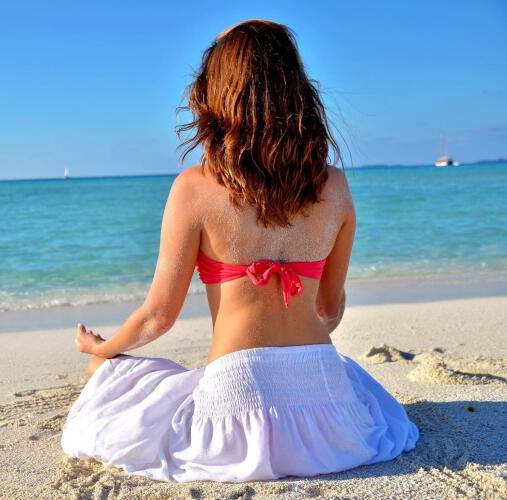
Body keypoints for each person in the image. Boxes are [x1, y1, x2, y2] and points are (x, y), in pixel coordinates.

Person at [60, 19, 418, 482]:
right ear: (298, 93)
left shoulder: (194, 188)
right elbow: (329, 312)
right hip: (328, 404)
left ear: (216, 94)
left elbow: (157, 318)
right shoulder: (334, 186)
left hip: (238, 396)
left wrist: (103, 348)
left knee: (106, 372)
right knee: (353, 382)